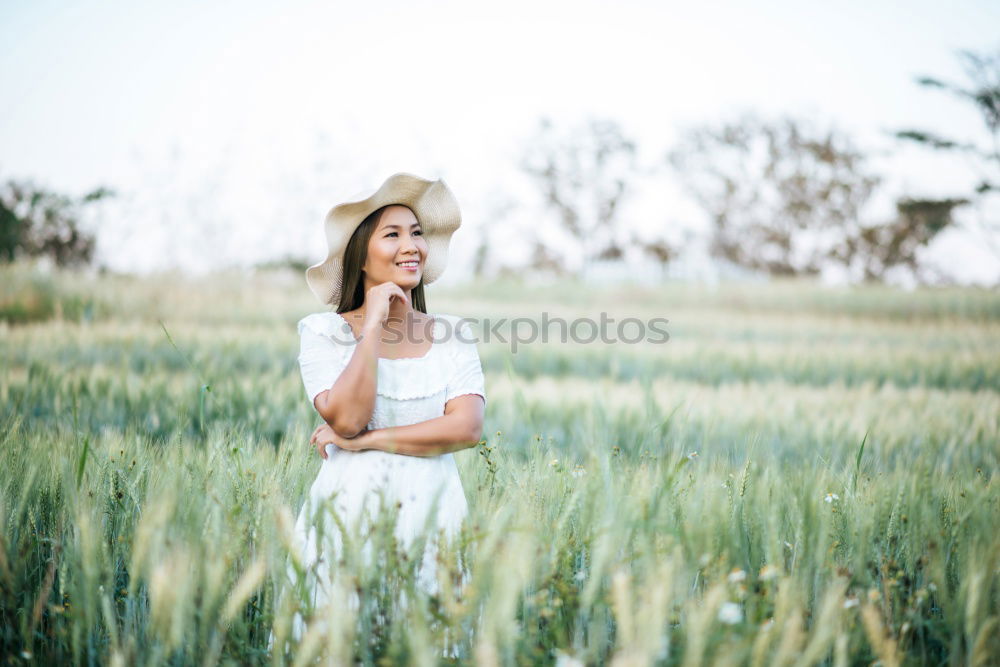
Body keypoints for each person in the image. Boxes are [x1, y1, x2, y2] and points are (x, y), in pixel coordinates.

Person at [271, 173, 487, 655]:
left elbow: (467, 428)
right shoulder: (323, 332)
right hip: (347, 515)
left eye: (417, 233)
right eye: (393, 234)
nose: (412, 245)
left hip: (436, 517)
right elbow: (346, 418)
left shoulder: (453, 333)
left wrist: (366, 442)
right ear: (360, 255)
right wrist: (371, 325)